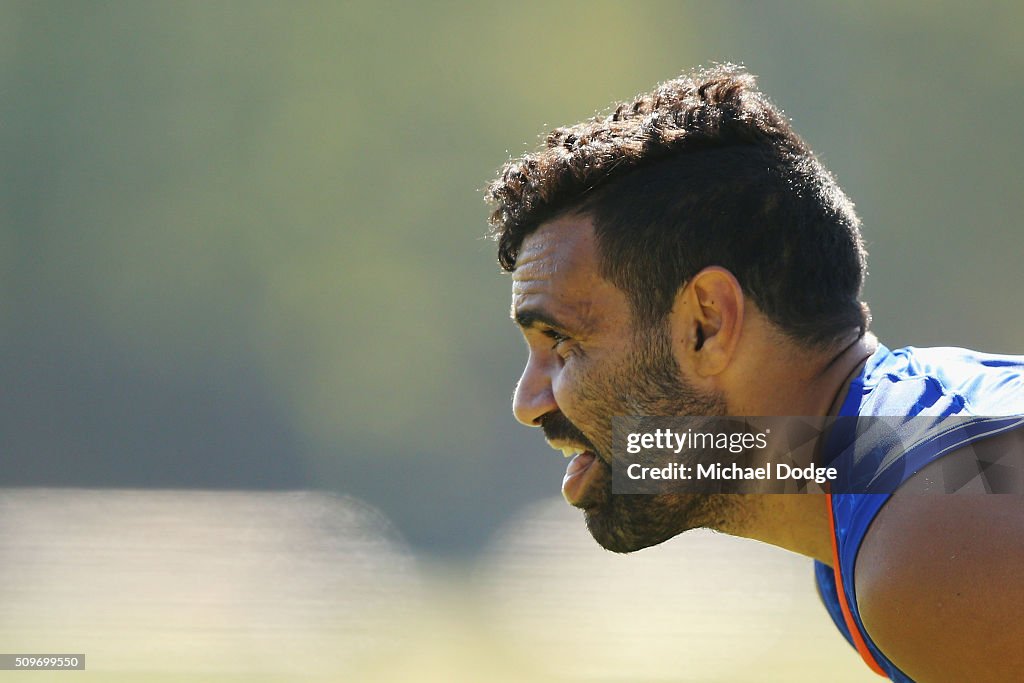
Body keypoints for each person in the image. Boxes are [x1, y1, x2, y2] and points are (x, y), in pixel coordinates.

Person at [485, 64, 1024, 683]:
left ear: (706, 324)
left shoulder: (932, 537)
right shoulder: (871, 478)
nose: (529, 401)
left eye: (563, 342)